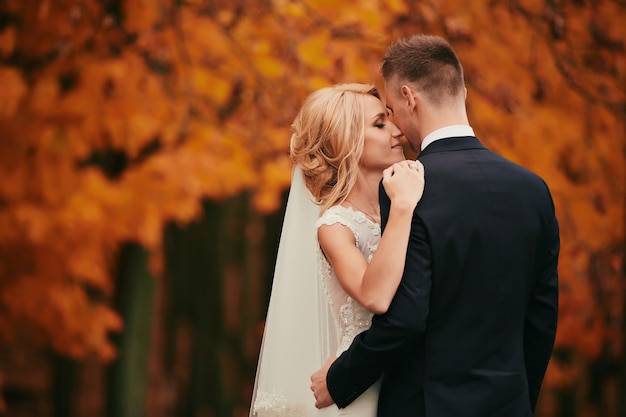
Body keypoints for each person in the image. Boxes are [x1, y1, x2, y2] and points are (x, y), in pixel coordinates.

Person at [311, 34, 560, 417]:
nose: (396, 128)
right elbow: (541, 319)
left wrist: (342, 377)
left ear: (409, 98)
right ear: (461, 89)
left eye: (391, 110)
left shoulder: (408, 185)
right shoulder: (533, 189)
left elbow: (406, 318)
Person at [249, 83, 425, 417]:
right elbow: (375, 296)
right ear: (346, 143)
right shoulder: (335, 227)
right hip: (358, 393)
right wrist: (403, 207)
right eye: (379, 124)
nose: (397, 130)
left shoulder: (404, 207)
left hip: (409, 384)